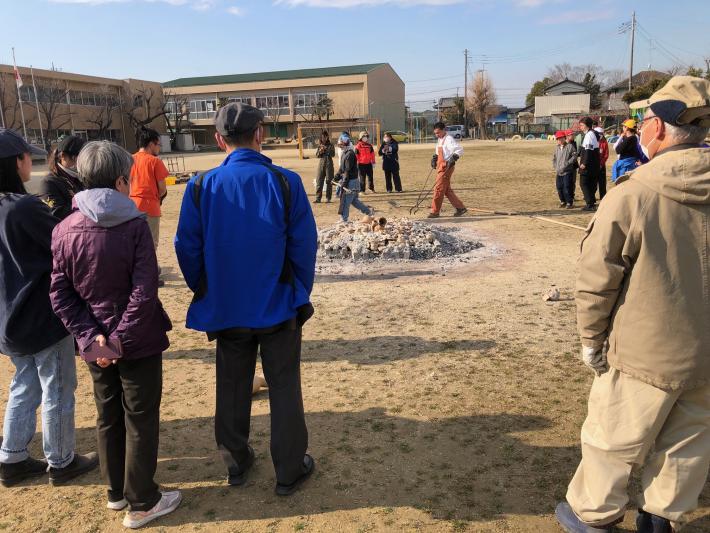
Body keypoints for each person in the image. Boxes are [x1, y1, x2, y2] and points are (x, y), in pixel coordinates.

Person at [555, 76, 710, 533]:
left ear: (660, 129)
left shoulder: (634, 194)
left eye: (644, 120)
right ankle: (661, 520)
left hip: (644, 351)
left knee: (611, 443)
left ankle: (592, 520)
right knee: (687, 448)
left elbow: (597, 278)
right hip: (707, 354)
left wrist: (591, 341)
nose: (641, 129)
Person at [174, 103, 318, 496]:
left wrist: (207, 287)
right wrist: (295, 288)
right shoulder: (285, 181)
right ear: (261, 134)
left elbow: (186, 246)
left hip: (228, 306)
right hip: (278, 303)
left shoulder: (202, 185)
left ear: (219, 140)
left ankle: (235, 461)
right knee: (285, 385)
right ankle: (289, 469)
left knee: (232, 385)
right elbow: (304, 246)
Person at [49, 141, 179, 529]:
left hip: (97, 344)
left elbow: (60, 293)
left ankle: (116, 492)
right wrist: (117, 338)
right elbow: (144, 289)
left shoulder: (63, 229)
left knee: (108, 413)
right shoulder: (135, 225)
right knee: (139, 417)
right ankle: (142, 501)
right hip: (136, 340)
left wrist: (93, 339)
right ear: (121, 180)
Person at [0, 128, 98, 488]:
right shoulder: (23, 207)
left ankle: (12, 457)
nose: (32, 161)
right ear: (15, 163)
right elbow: (63, 243)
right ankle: (61, 461)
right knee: (57, 386)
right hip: (40, 314)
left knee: (24, 384)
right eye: (27, 156)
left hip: (8, 316)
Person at [130, 128, 168, 285]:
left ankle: (135, 272)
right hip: (150, 206)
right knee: (151, 243)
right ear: (151, 144)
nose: (159, 148)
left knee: (134, 242)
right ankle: (149, 276)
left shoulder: (129, 159)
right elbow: (162, 188)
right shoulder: (155, 161)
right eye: (158, 145)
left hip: (131, 206)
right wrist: (159, 197)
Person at [37, 135, 86, 220]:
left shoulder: (81, 177)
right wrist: (84, 203)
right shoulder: (48, 183)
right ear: (63, 156)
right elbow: (56, 213)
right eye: (79, 159)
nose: (83, 164)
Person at [428, 121, 467, 218]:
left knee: (438, 188)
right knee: (446, 189)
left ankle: (435, 211)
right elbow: (438, 152)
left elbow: (459, 149)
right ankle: (460, 208)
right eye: (435, 133)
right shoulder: (440, 139)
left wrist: (453, 158)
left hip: (447, 166)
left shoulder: (449, 139)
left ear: (443, 130)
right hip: (440, 165)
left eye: (438, 133)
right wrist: (434, 158)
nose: (437, 135)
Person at [337, 133, 373, 222]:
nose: (340, 146)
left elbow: (347, 171)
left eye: (341, 144)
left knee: (345, 201)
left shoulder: (350, 154)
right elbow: (341, 168)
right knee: (354, 201)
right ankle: (368, 212)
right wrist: (335, 178)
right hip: (350, 180)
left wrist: (344, 182)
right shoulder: (344, 153)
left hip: (351, 181)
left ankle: (344, 219)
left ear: (345, 144)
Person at [577, 117, 600, 211]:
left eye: (582, 125)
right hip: (594, 164)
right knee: (591, 183)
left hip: (589, 165)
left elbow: (588, 150)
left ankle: (589, 203)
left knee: (584, 183)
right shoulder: (592, 134)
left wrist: (584, 163)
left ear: (587, 126)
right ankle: (592, 202)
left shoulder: (589, 135)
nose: (580, 127)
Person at [552, 130, 577, 209]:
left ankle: (569, 202)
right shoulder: (557, 148)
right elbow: (554, 158)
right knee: (559, 187)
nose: (559, 140)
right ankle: (562, 201)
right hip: (559, 172)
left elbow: (575, 156)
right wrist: (555, 166)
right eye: (558, 139)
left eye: (561, 138)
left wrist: (568, 163)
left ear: (564, 138)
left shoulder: (570, 146)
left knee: (567, 187)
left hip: (567, 171)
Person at [314, 130, 334, 204]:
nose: (323, 138)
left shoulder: (331, 145)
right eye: (322, 137)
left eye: (325, 137)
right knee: (319, 180)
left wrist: (326, 149)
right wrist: (320, 151)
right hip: (321, 164)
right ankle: (318, 198)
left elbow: (333, 154)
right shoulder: (320, 145)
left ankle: (328, 198)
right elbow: (317, 155)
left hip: (329, 164)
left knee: (329, 181)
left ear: (327, 137)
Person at [594, 126, 609, 200]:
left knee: (602, 182)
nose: (600, 135)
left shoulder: (604, 142)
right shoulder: (593, 142)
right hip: (593, 165)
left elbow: (606, 154)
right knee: (593, 182)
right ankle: (591, 195)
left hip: (601, 166)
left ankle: (603, 196)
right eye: (599, 133)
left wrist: (601, 164)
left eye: (601, 133)